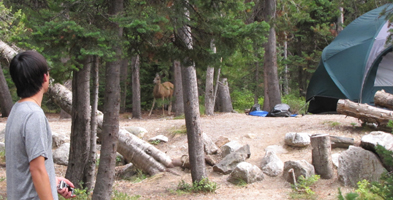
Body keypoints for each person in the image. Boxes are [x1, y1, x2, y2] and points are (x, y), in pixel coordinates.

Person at [5, 50, 75, 199]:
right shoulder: (34, 115)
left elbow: (23, 164)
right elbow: (36, 169)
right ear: (45, 77)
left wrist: (52, 181)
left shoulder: (16, 111)